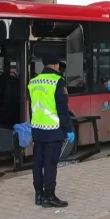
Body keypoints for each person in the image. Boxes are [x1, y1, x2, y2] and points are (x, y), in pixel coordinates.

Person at [28, 53, 74, 207]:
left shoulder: (33, 81)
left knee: (37, 163)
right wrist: (68, 129)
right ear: (55, 65)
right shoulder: (58, 81)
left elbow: (32, 107)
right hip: (53, 130)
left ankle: (38, 195)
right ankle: (49, 196)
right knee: (50, 164)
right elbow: (62, 108)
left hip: (37, 129)